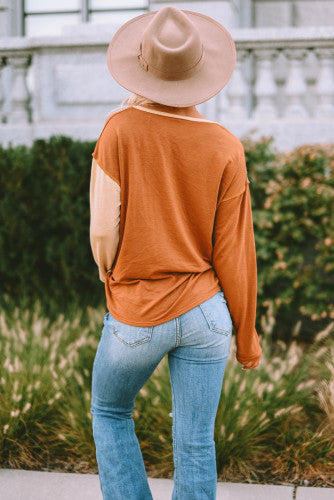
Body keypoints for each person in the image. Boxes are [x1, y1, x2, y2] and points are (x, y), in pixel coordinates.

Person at [89, 5, 262, 500]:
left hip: (138, 312)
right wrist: (246, 338)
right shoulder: (226, 145)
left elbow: (104, 233)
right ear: (200, 71)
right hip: (207, 314)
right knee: (195, 444)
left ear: (142, 67)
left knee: (110, 412)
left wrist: (113, 280)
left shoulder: (118, 129)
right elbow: (235, 250)